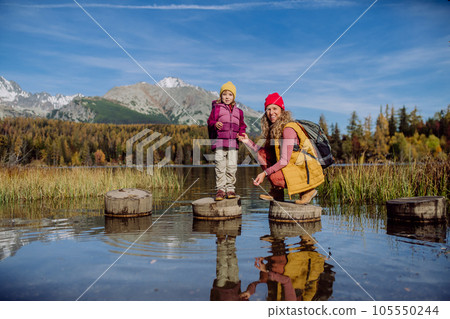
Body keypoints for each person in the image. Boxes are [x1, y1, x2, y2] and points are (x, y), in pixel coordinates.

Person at [238, 92, 323, 204]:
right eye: (268, 109)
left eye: (274, 108)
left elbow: (284, 161)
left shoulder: (288, 129)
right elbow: (263, 153)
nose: (271, 112)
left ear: (282, 110)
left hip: (304, 170)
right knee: (262, 154)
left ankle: (307, 191)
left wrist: (264, 173)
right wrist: (247, 141)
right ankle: (277, 193)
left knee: (273, 176)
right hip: (293, 167)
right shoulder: (274, 129)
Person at [207, 81, 247, 201]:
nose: (227, 97)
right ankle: (220, 190)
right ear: (221, 96)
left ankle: (230, 189)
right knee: (220, 167)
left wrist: (241, 133)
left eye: (230, 94)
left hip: (233, 144)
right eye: (224, 94)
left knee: (231, 167)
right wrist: (215, 124)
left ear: (233, 96)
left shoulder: (239, 112)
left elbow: (242, 126)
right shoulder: (216, 109)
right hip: (219, 143)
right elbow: (210, 122)